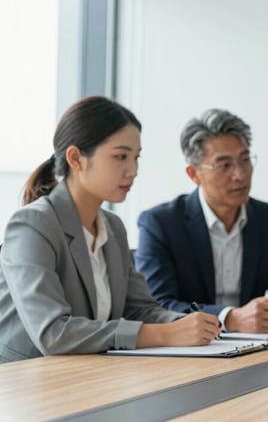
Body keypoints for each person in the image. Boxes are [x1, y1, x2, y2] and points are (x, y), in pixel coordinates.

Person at [0, 96, 220, 363]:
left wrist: (189, 325)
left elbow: (139, 310)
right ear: (76, 158)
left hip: (91, 376)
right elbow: (53, 333)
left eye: (136, 157)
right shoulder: (32, 225)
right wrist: (165, 334)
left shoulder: (113, 227)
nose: (133, 170)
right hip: (24, 385)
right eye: (120, 156)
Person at [135, 109, 268, 333]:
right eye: (225, 165)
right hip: (189, 354)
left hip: (256, 348)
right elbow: (158, 306)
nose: (240, 174)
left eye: (245, 160)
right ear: (194, 174)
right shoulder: (160, 224)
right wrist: (228, 318)